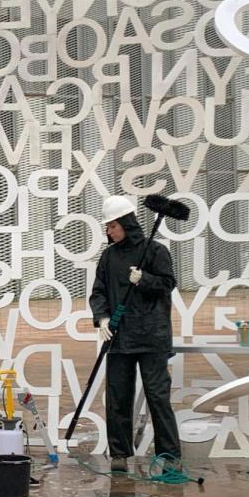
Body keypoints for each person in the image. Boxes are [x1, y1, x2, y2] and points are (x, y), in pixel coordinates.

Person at [89, 195, 181, 472]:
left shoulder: (155, 251)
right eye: (107, 227)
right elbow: (98, 291)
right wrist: (102, 318)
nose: (108, 231)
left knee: (157, 396)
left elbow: (168, 284)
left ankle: (169, 455)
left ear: (127, 224)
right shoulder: (108, 256)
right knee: (118, 397)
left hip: (152, 337)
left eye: (112, 226)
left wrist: (145, 280)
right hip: (118, 338)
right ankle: (119, 454)